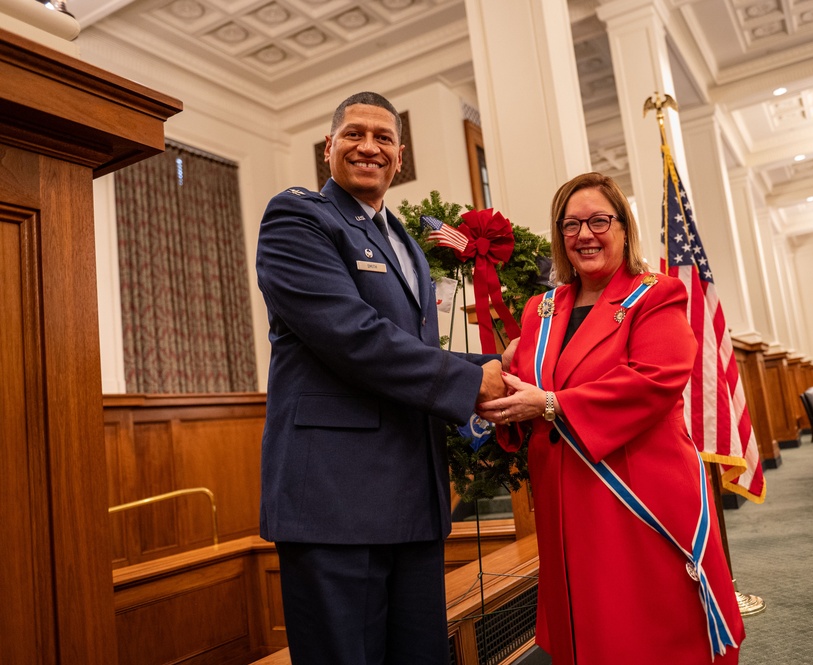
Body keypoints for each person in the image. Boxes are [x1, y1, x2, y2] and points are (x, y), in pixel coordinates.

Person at [255, 91, 508, 665]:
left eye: (383, 138)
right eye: (354, 134)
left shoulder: (404, 243)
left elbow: (411, 350)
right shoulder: (298, 218)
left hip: (411, 499)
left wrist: (495, 369)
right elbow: (355, 336)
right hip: (335, 501)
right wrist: (475, 382)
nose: (368, 146)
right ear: (329, 148)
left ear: (399, 156)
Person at [477, 172, 745, 664]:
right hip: (564, 497)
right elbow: (523, 387)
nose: (584, 235)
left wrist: (552, 405)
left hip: (636, 491)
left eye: (599, 220)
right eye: (571, 224)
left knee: (645, 628)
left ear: (623, 227)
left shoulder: (656, 294)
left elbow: (655, 381)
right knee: (588, 630)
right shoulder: (541, 308)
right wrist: (502, 397)